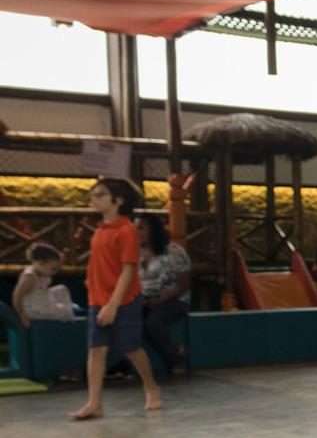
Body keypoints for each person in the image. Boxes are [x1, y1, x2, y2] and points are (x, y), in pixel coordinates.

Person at [70, 178, 162, 420]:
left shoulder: (126, 231)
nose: (94, 198)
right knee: (96, 350)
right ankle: (94, 402)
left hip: (124, 300)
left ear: (118, 201)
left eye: (100, 194)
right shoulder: (100, 229)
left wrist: (112, 304)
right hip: (97, 298)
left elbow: (128, 270)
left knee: (130, 348)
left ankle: (150, 386)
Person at [134, 213, 190, 374]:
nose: (137, 232)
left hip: (173, 298)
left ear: (153, 230)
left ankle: (174, 362)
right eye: (135, 228)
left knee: (153, 322)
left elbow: (183, 284)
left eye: (141, 228)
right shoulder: (134, 253)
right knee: (132, 321)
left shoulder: (173, 251)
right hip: (145, 298)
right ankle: (175, 348)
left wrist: (159, 299)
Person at [12, 242, 73, 327]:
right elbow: (17, 297)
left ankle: (65, 312)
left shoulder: (42, 274)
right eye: (53, 269)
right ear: (41, 263)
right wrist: (22, 315)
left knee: (62, 289)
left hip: (41, 302)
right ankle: (69, 322)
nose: (55, 273)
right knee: (65, 312)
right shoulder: (30, 278)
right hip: (34, 309)